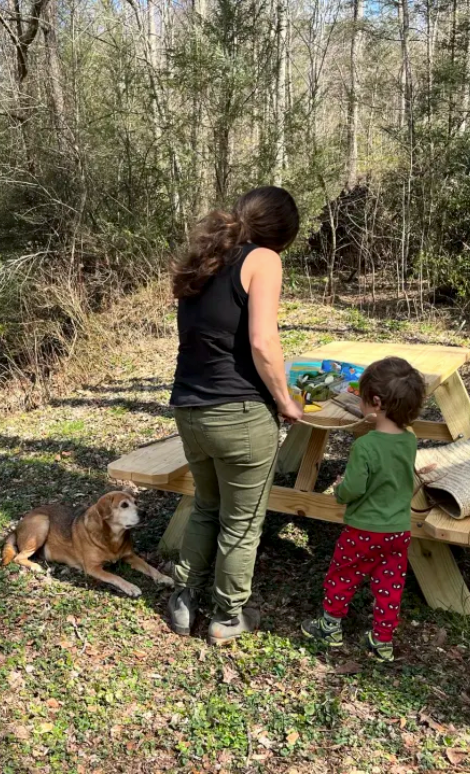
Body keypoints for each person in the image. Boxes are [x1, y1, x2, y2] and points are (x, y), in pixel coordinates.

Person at [166, 186, 305, 647]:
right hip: (240, 413)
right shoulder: (264, 259)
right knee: (242, 522)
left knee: (207, 505)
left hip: (189, 408)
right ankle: (228, 616)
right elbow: (263, 342)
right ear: (282, 232)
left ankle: (183, 599)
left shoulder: (206, 260)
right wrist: (285, 400)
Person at [302, 356, 427, 663]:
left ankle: (330, 626)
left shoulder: (366, 446)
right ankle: (382, 639)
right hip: (398, 531)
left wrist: (341, 490)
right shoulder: (409, 440)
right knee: (389, 584)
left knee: (342, 574)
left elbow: (354, 488)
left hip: (363, 530)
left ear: (375, 401)